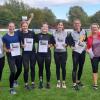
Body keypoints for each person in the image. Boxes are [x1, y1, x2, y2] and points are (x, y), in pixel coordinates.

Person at [2, 22, 22, 94]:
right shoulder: (5, 37)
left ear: (14, 27)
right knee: (13, 71)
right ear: (8, 27)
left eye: (12, 26)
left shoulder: (17, 34)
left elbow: (20, 43)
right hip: (10, 56)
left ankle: (15, 80)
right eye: (10, 26)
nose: (11, 28)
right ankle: (11, 88)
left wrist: (23, 45)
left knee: (19, 69)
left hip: (18, 55)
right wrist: (8, 50)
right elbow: (3, 47)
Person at [69, 19, 87, 90]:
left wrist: (85, 46)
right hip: (76, 52)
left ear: (80, 24)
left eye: (78, 23)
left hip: (82, 52)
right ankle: (74, 84)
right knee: (75, 67)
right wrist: (71, 46)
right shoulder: (71, 33)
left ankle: (78, 81)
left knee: (81, 67)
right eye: (75, 23)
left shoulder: (84, 31)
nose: (77, 24)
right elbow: (69, 41)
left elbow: (85, 40)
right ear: (74, 25)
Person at [35, 22, 54, 89]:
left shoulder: (50, 36)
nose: (45, 28)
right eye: (44, 27)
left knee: (47, 68)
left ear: (47, 28)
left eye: (46, 27)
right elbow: (31, 42)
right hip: (39, 55)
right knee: (40, 68)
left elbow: (53, 43)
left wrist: (50, 45)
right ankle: (41, 82)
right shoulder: (37, 35)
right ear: (41, 28)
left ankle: (48, 82)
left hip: (47, 54)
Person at [19, 21, 36, 90]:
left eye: (26, 26)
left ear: (28, 26)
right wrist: (21, 45)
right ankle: (26, 84)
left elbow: (36, 40)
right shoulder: (19, 34)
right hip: (25, 53)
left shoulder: (32, 32)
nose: (25, 27)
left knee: (32, 67)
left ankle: (32, 82)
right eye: (23, 26)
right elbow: (18, 43)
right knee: (26, 68)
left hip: (32, 53)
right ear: (21, 27)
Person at [53, 22, 68, 88]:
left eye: (61, 25)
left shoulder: (66, 33)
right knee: (57, 67)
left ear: (63, 26)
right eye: (59, 25)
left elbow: (68, 41)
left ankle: (64, 82)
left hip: (63, 52)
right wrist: (54, 44)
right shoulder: (54, 33)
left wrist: (66, 44)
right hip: (56, 52)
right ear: (57, 26)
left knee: (63, 67)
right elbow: (51, 41)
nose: (60, 26)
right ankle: (58, 81)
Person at [87, 23, 100, 90]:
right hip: (94, 56)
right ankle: (95, 84)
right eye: (93, 27)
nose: (94, 28)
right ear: (91, 29)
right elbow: (88, 47)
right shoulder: (89, 38)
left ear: (98, 28)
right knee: (95, 70)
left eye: (96, 27)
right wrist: (87, 50)